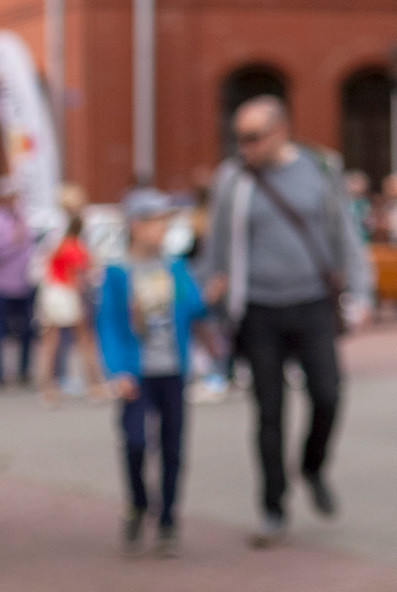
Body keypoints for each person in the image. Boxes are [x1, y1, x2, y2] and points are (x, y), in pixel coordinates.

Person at [201, 96, 373, 545]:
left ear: (281, 131)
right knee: (269, 413)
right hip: (257, 309)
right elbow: (217, 246)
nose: (244, 146)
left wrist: (362, 290)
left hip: (313, 303)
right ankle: (273, 506)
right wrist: (210, 302)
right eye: (238, 137)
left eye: (253, 137)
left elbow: (344, 233)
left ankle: (313, 466)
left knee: (328, 395)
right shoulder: (233, 178)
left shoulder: (320, 167)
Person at [95, 189, 208, 557]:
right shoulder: (117, 271)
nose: (160, 229)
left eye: (164, 221)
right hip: (136, 371)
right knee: (134, 440)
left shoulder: (174, 266)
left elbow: (193, 307)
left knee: (173, 446)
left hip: (172, 369)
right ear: (136, 225)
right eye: (154, 221)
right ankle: (138, 502)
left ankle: (168, 518)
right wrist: (117, 370)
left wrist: (210, 295)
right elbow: (107, 324)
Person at [36, 197, 97, 406]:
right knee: (85, 340)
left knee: (50, 343)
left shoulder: (59, 244)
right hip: (66, 294)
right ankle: (95, 386)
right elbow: (80, 277)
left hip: (51, 292)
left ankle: (48, 390)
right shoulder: (75, 248)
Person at [0, 180, 38, 388]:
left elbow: (31, 246)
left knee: (27, 330)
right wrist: (12, 243)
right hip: (1, 284)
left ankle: (23, 371)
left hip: (24, 283)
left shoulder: (22, 217)